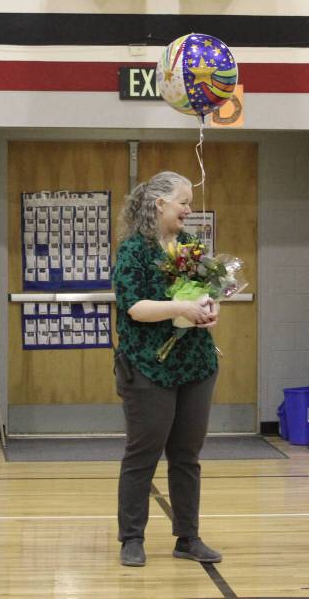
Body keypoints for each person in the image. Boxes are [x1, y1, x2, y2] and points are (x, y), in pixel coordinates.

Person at [112, 171, 222, 568]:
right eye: (184, 203)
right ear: (159, 204)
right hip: (147, 367)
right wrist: (180, 308)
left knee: (187, 455)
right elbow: (135, 308)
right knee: (142, 455)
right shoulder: (133, 252)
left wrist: (210, 309)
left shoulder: (190, 246)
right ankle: (132, 538)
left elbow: (207, 293)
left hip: (196, 364)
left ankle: (187, 537)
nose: (189, 210)